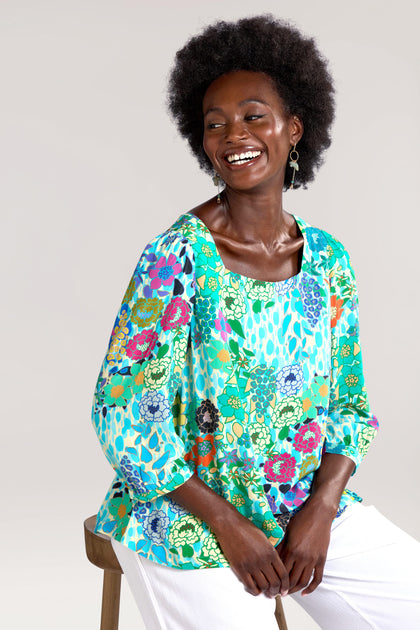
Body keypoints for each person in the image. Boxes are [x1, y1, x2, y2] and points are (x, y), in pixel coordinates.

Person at [91, 15, 420, 629]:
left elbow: (351, 403)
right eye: (215, 124)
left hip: (304, 508)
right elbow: (124, 412)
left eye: (252, 115)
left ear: (294, 129)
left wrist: (322, 509)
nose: (232, 134)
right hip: (188, 521)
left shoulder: (328, 260)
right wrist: (228, 525)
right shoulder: (177, 256)